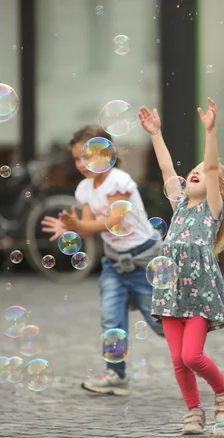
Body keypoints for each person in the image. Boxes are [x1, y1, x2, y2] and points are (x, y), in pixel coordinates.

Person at [138, 99, 224, 435]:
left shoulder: (211, 208)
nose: (196, 171)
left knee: (193, 356)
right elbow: (168, 169)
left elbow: (212, 168)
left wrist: (210, 131)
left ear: (217, 189)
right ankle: (194, 411)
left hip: (199, 294)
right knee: (178, 360)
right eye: (193, 168)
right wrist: (155, 134)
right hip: (169, 289)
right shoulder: (179, 204)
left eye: (202, 170)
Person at [40, 124, 164, 396]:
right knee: (111, 319)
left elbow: (112, 221)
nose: (82, 164)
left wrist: (78, 227)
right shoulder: (85, 188)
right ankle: (115, 375)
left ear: (107, 155)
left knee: (158, 323)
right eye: (76, 158)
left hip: (144, 259)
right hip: (114, 263)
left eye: (88, 157)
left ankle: (191, 349)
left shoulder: (119, 181)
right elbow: (87, 225)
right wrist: (71, 227)